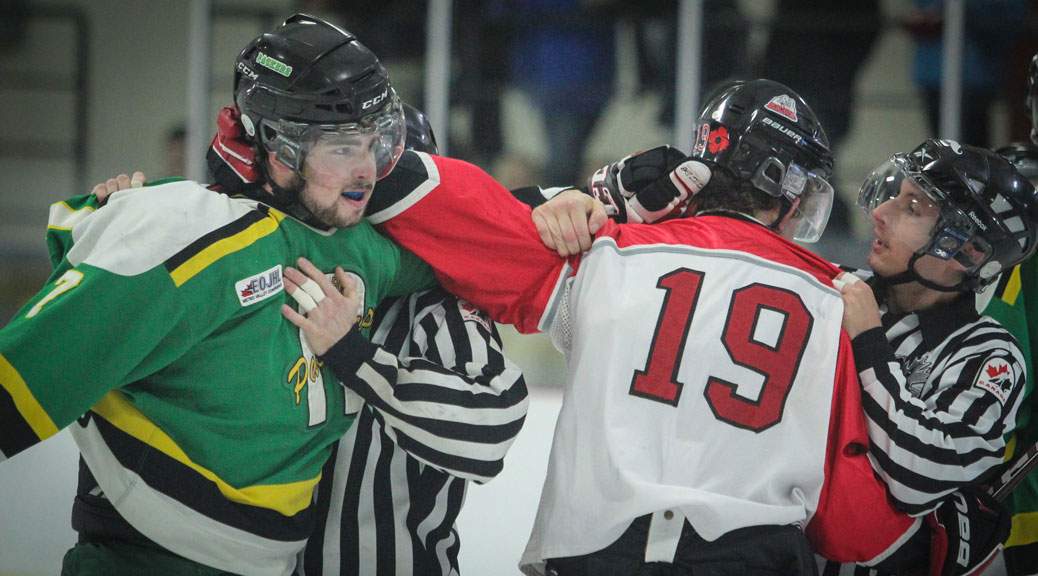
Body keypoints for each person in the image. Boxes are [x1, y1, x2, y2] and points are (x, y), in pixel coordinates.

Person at [357, 79, 939, 575]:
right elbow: (855, 527)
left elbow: (460, 215)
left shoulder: (607, 250)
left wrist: (585, 200)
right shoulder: (843, 300)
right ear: (786, 189)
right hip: (755, 556)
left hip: (597, 552)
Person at [1, 14, 439, 576]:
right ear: (280, 151)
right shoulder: (187, 234)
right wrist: (110, 228)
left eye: (376, 144)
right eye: (342, 148)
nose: (367, 171)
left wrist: (559, 205)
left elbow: (482, 241)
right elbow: (23, 374)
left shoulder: (359, 245)